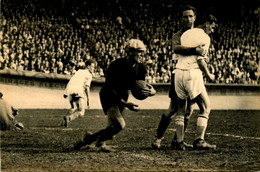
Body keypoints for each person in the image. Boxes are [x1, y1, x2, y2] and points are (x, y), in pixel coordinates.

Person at [73, 39, 156, 152]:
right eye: (138, 52)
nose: (140, 55)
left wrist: (152, 92)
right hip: (108, 95)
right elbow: (109, 88)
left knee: (112, 129)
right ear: (130, 52)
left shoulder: (141, 68)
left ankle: (92, 140)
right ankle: (91, 139)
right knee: (120, 125)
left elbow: (141, 86)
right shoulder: (116, 65)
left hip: (123, 95)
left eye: (142, 52)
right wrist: (126, 104)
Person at [152, 5, 201, 149]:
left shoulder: (199, 34)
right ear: (181, 19)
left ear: (195, 17)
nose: (188, 19)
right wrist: (194, 50)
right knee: (173, 108)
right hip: (179, 74)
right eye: (185, 16)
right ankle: (158, 138)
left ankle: (177, 140)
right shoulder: (178, 35)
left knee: (190, 109)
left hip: (194, 74)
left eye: (190, 16)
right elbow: (176, 48)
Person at [173, 14, 217, 150]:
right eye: (212, 27)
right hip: (192, 74)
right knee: (205, 107)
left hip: (178, 72)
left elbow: (181, 51)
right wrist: (209, 74)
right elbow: (199, 59)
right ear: (206, 24)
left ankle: (179, 142)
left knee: (181, 110)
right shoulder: (205, 37)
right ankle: (199, 140)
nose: (212, 30)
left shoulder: (185, 34)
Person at [61, 59, 96, 127]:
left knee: (73, 108)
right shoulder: (89, 75)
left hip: (70, 91)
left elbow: (71, 80)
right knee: (81, 112)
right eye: (92, 66)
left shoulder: (79, 71)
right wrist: (88, 99)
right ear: (88, 66)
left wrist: (66, 92)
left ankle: (63, 121)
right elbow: (87, 87)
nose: (93, 68)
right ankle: (69, 118)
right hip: (78, 92)